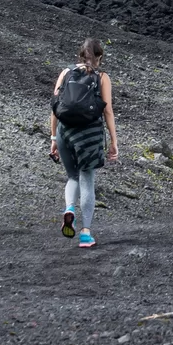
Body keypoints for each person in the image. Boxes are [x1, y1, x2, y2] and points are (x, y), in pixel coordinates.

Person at [48, 38, 116, 248]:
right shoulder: (102, 77)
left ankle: (69, 208)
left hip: (65, 132)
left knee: (72, 176)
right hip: (89, 135)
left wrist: (53, 138)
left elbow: (55, 107)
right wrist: (114, 141)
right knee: (87, 180)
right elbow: (107, 111)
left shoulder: (65, 73)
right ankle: (86, 233)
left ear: (79, 55)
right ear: (100, 57)